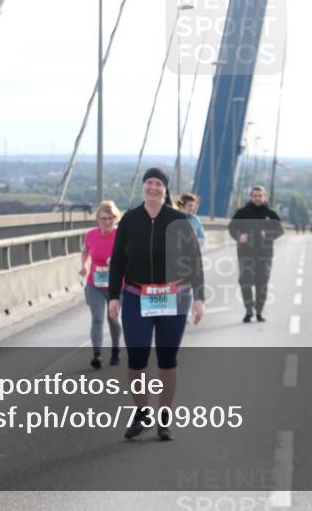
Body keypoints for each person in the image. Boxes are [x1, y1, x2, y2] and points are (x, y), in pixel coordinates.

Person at [108, 168, 205, 442]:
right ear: (143, 187)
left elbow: (194, 260)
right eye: (149, 182)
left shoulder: (178, 220)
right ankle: (141, 413)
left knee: (166, 359)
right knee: (137, 359)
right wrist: (113, 296)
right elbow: (117, 261)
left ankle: (164, 418)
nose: (153, 187)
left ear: (166, 189)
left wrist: (199, 298)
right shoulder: (130, 219)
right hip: (137, 296)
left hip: (174, 296)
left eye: (158, 183)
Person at [229, 186, 284, 323]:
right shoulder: (242, 213)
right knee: (245, 281)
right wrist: (239, 236)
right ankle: (248, 310)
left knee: (262, 283)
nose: (258, 198)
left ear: (264, 197)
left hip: (264, 254)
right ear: (250, 197)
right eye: (255, 196)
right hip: (245, 253)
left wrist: (269, 234)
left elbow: (280, 230)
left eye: (260, 196)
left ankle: (259, 311)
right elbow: (232, 227)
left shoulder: (270, 214)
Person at [79, 201, 122, 369]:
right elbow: (85, 251)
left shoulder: (121, 235)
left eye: (110, 218)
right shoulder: (90, 235)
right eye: (103, 218)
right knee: (97, 318)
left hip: (116, 285)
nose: (107, 222)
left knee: (113, 318)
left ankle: (115, 350)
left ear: (115, 218)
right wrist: (83, 265)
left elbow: (130, 255)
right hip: (95, 284)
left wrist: (118, 263)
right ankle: (97, 355)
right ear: (98, 219)